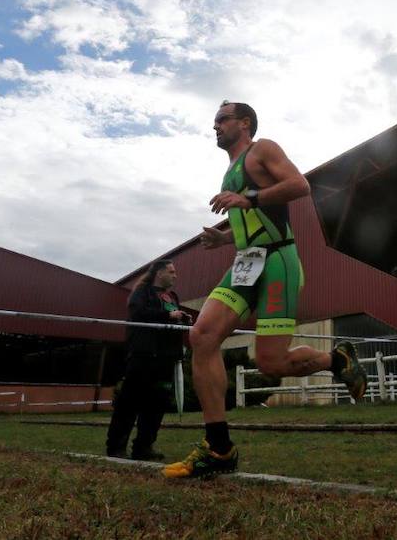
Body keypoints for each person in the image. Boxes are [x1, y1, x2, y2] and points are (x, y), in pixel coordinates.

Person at [163, 101, 367, 479]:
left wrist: (248, 198)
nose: (215, 126)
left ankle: (336, 360)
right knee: (202, 336)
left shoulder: (263, 149)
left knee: (271, 365)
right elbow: (252, 219)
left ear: (245, 123)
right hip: (245, 263)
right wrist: (223, 239)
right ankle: (218, 449)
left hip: (278, 263)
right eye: (214, 122)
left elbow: (299, 186)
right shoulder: (230, 171)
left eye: (222, 120)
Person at [106, 259, 190, 460]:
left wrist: (183, 319)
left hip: (166, 359)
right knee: (129, 403)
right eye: (171, 271)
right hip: (143, 356)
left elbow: (172, 319)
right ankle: (116, 447)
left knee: (156, 405)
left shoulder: (172, 297)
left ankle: (144, 448)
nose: (175, 275)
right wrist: (168, 316)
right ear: (159, 273)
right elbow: (138, 314)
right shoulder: (141, 293)